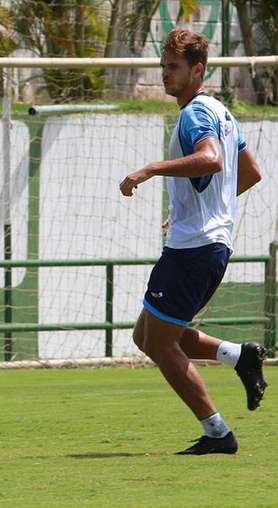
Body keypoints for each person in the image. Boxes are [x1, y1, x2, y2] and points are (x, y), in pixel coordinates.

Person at [120, 28, 267, 455]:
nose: (165, 74)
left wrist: (150, 169)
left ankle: (218, 433)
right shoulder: (222, 112)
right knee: (146, 336)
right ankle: (239, 356)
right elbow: (250, 172)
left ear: (197, 70)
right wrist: (200, 207)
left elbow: (210, 159)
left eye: (173, 67)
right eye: (163, 66)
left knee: (160, 343)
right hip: (201, 242)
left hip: (196, 248)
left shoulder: (195, 115)